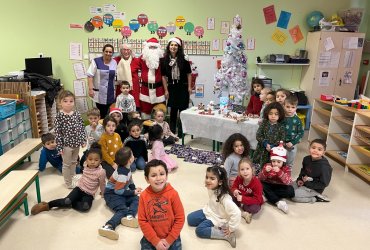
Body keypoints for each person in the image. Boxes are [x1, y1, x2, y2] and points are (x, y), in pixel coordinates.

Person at [31, 143, 106, 215]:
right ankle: (47, 205)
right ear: (86, 160)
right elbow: (74, 160)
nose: (93, 162)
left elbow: (102, 183)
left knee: (85, 207)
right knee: (66, 201)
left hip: (89, 194)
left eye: (96, 160)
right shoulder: (85, 164)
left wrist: (103, 193)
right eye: (90, 159)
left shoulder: (101, 172)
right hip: (79, 188)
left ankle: (70, 203)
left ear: (100, 161)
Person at [187, 165, 241, 248]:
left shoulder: (225, 199)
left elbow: (237, 213)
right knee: (190, 219)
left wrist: (231, 228)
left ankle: (226, 235)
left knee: (199, 231)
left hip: (218, 218)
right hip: (209, 211)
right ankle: (207, 222)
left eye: (212, 178)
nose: (208, 180)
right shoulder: (212, 187)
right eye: (207, 177)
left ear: (220, 182)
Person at [138, 159, 185, 250]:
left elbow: (180, 218)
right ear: (147, 179)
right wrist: (155, 241)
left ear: (167, 176)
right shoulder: (143, 196)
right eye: (153, 175)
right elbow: (142, 221)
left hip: (171, 237)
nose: (158, 178)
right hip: (151, 238)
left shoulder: (173, 194)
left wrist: (169, 240)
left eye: (162, 174)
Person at [99, 147, 142, 240]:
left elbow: (130, 179)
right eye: (132, 155)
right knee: (122, 210)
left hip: (120, 192)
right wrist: (132, 192)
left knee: (137, 199)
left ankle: (129, 217)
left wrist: (133, 189)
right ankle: (108, 226)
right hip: (112, 195)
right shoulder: (122, 174)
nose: (133, 156)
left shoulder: (126, 167)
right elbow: (117, 191)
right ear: (130, 160)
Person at [54, 90, 86, 188]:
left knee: (74, 162)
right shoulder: (59, 116)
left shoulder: (76, 114)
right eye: (65, 101)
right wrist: (59, 147)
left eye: (71, 101)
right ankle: (68, 183)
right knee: (66, 164)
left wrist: (83, 140)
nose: (68, 103)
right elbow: (58, 133)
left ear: (74, 102)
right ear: (60, 103)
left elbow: (81, 127)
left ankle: (73, 177)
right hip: (66, 146)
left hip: (76, 144)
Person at [160, 37, 192, 137]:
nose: (173, 47)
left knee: (183, 111)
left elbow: (189, 74)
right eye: (172, 45)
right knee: (173, 111)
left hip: (183, 87)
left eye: (176, 45)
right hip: (172, 87)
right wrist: (166, 90)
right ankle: (172, 131)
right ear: (169, 46)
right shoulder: (164, 60)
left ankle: (182, 131)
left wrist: (189, 87)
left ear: (179, 47)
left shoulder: (184, 59)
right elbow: (163, 77)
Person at [131, 37, 166, 119]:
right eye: (150, 47)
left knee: (159, 112)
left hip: (159, 91)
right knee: (145, 113)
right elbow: (132, 69)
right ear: (146, 48)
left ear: (158, 48)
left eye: (155, 47)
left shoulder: (162, 59)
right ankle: (146, 129)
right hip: (145, 90)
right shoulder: (142, 58)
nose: (152, 49)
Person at [258, 142, 294, 214]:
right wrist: (265, 172)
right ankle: (278, 202)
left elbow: (288, 182)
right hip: (269, 185)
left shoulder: (286, 168)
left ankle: (268, 196)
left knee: (291, 191)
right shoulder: (267, 166)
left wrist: (279, 172)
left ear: (283, 162)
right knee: (260, 184)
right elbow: (260, 178)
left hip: (280, 186)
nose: (275, 164)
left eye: (278, 162)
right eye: (273, 161)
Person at [292, 139, 332, 203]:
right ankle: (301, 190)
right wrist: (300, 179)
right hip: (305, 183)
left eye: (319, 149)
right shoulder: (306, 159)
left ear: (324, 152)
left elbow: (324, 184)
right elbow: (303, 171)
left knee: (294, 196)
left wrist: (307, 183)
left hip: (314, 188)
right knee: (288, 188)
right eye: (313, 148)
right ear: (309, 148)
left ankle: (315, 197)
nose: (315, 151)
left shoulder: (325, 167)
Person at [252, 102, 286, 175]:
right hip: (261, 150)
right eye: (270, 113)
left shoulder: (281, 127)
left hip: (273, 153)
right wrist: (265, 143)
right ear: (267, 114)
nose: (273, 116)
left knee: (269, 169)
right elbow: (258, 135)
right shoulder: (264, 123)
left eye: (276, 114)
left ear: (280, 115)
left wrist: (273, 147)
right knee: (257, 167)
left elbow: (282, 140)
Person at [231, 158, 263, 224]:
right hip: (240, 198)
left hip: (251, 200)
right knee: (228, 198)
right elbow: (233, 187)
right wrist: (235, 190)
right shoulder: (239, 178)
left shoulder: (257, 183)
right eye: (242, 169)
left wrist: (243, 199)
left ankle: (241, 211)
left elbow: (258, 199)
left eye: (247, 169)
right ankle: (243, 213)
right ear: (239, 171)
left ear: (252, 169)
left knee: (254, 208)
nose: (245, 171)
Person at [80, 107, 104, 172]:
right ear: (88, 119)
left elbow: (98, 138)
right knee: (82, 161)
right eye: (90, 118)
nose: (93, 120)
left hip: (98, 149)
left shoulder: (101, 127)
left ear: (99, 118)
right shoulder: (87, 127)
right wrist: (84, 142)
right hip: (89, 148)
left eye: (95, 118)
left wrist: (93, 129)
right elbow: (85, 136)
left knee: (97, 161)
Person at [283, 95, 304, 167]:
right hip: (281, 144)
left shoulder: (297, 120)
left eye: (293, 107)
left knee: (289, 163)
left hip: (292, 145)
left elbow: (301, 133)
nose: (290, 109)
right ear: (284, 106)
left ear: (296, 108)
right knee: (280, 161)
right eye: (287, 107)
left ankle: (287, 177)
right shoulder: (281, 118)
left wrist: (293, 142)